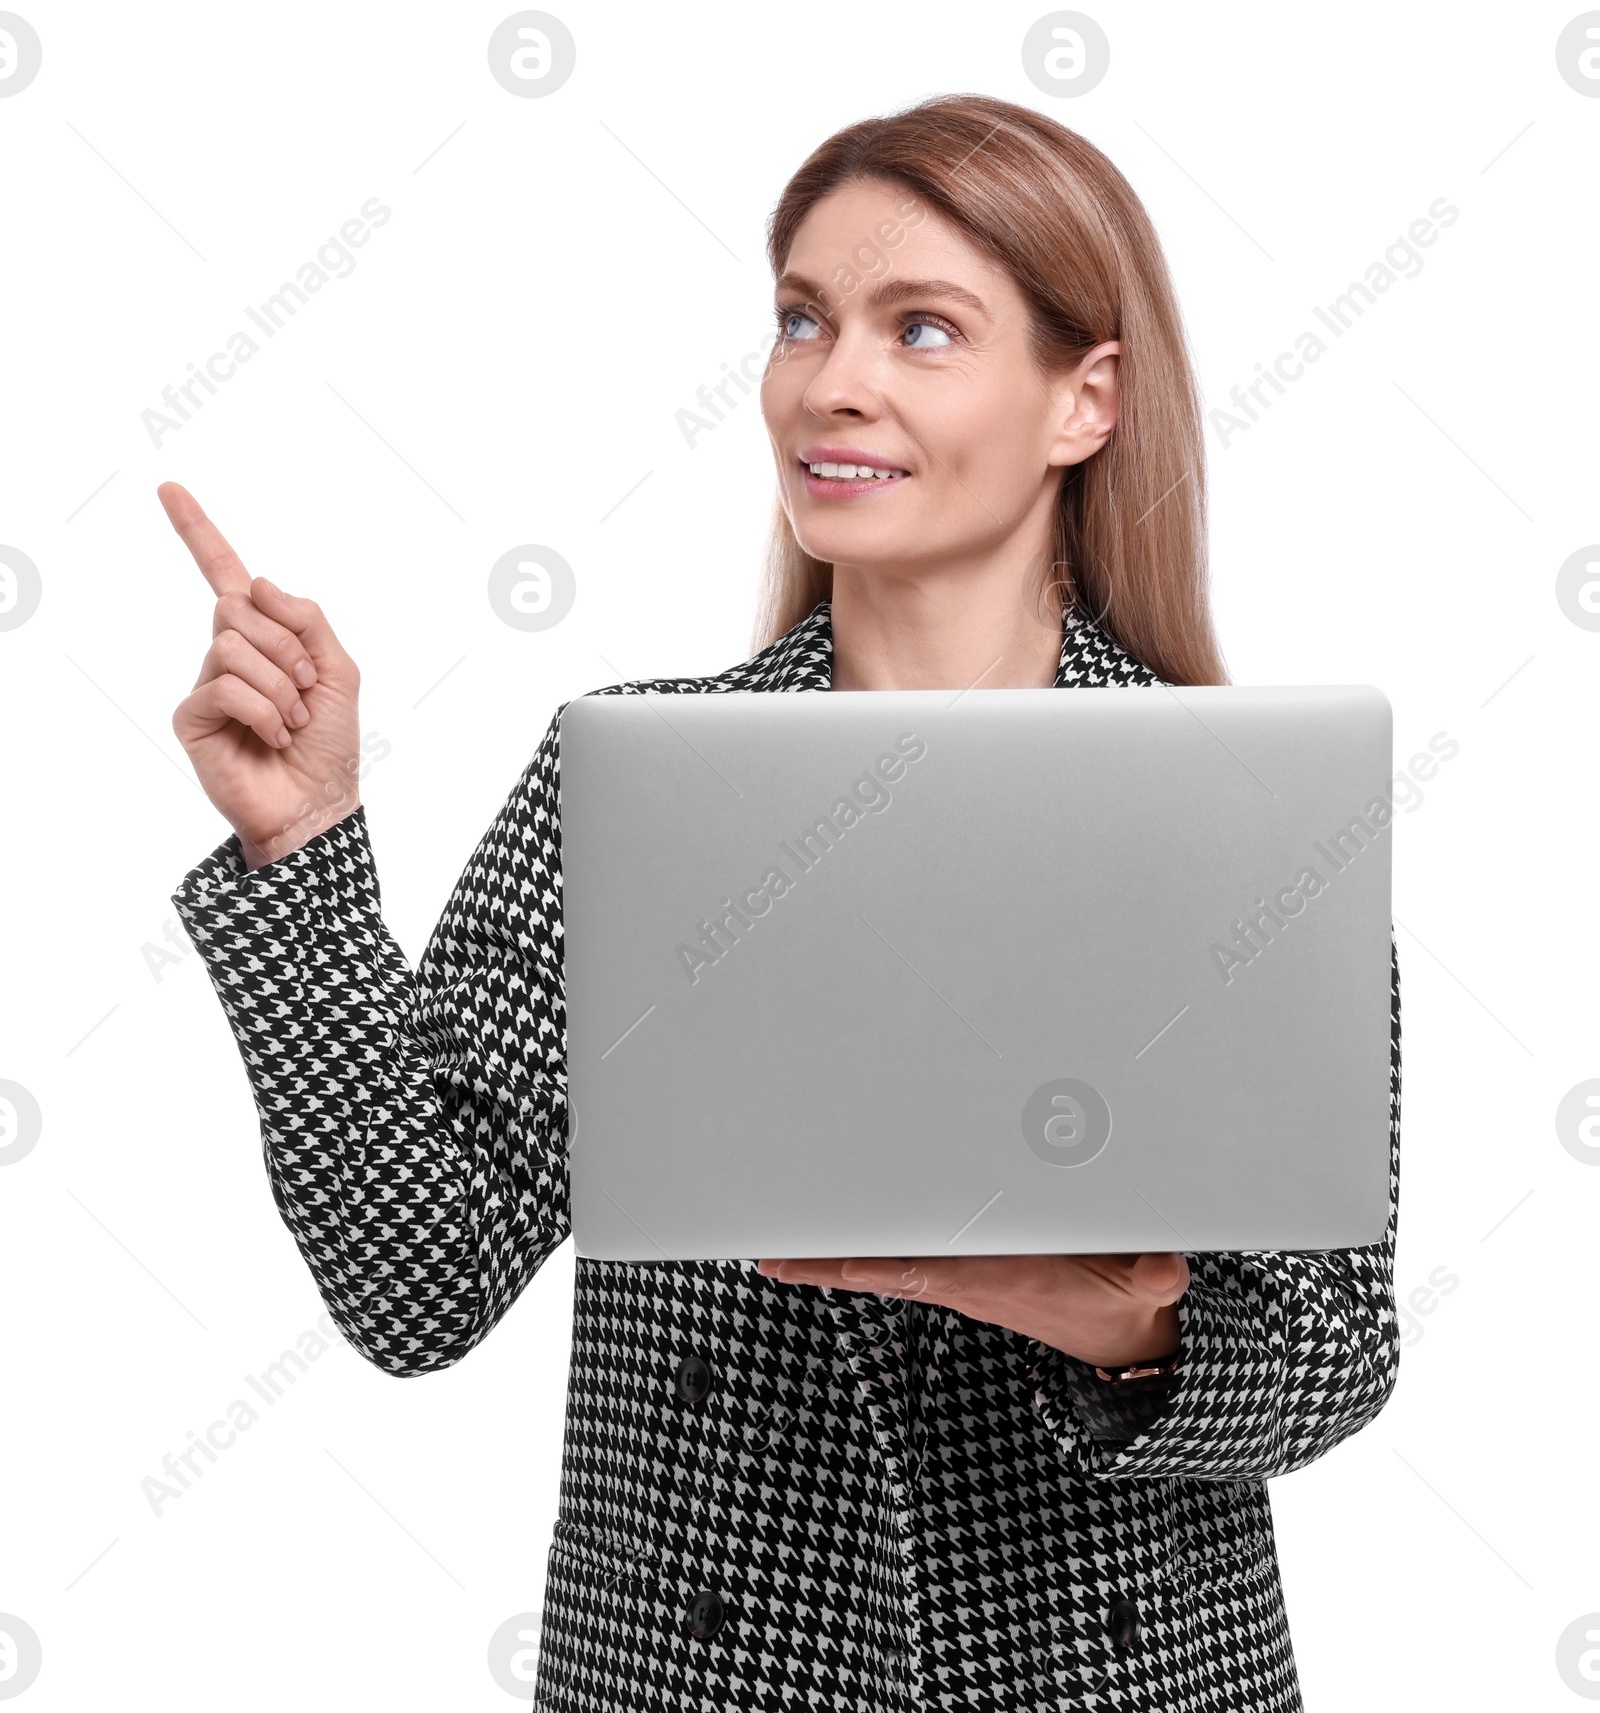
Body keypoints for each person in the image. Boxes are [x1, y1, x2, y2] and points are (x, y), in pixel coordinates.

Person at [166, 92, 1401, 1712]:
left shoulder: (1232, 809)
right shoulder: (638, 778)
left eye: (925, 329)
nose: (833, 382)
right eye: (804, 319)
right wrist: (303, 843)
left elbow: (1339, 1344)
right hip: (697, 1675)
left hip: (1111, 1677)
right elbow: (419, 1279)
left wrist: (1109, 1326)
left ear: (1083, 399)